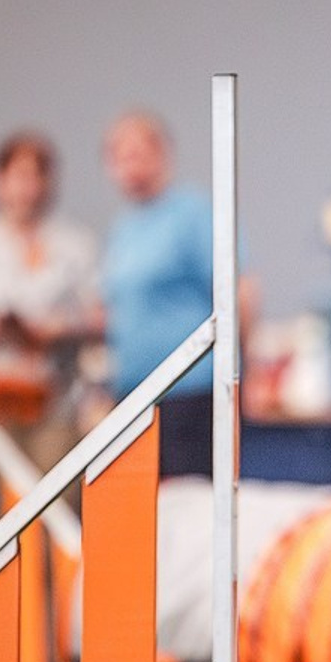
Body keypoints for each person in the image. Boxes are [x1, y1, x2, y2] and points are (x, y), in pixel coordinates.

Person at [102, 111, 256, 477]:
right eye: (120, 156)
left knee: (190, 507)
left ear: (162, 153)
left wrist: (238, 369)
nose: (129, 165)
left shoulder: (192, 213)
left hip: (190, 393)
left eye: (137, 153)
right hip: (134, 394)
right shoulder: (124, 227)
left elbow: (240, 292)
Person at [0, 131, 102, 473]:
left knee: (55, 499)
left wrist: (62, 326)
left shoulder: (76, 244)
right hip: (0, 399)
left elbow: (101, 315)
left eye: (38, 176)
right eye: (20, 176)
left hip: (56, 401)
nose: (29, 188)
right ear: (1, 180)